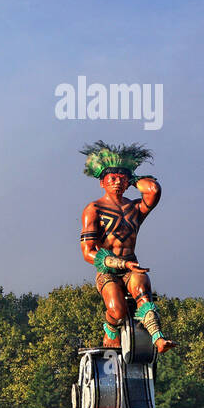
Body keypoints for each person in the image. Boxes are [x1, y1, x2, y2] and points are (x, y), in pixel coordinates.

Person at [78, 141, 175, 353]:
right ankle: (111, 329)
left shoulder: (134, 209)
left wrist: (132, 179)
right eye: (112, 178)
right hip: (108, 272)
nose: (117, 183)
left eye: (122, 179)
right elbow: (88, 252)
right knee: (117, 310)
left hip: (132, 269)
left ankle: (158, 338)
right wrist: (121, 263)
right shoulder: (93, 209)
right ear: (102, 182)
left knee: (143, 288)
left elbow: (153, 190)